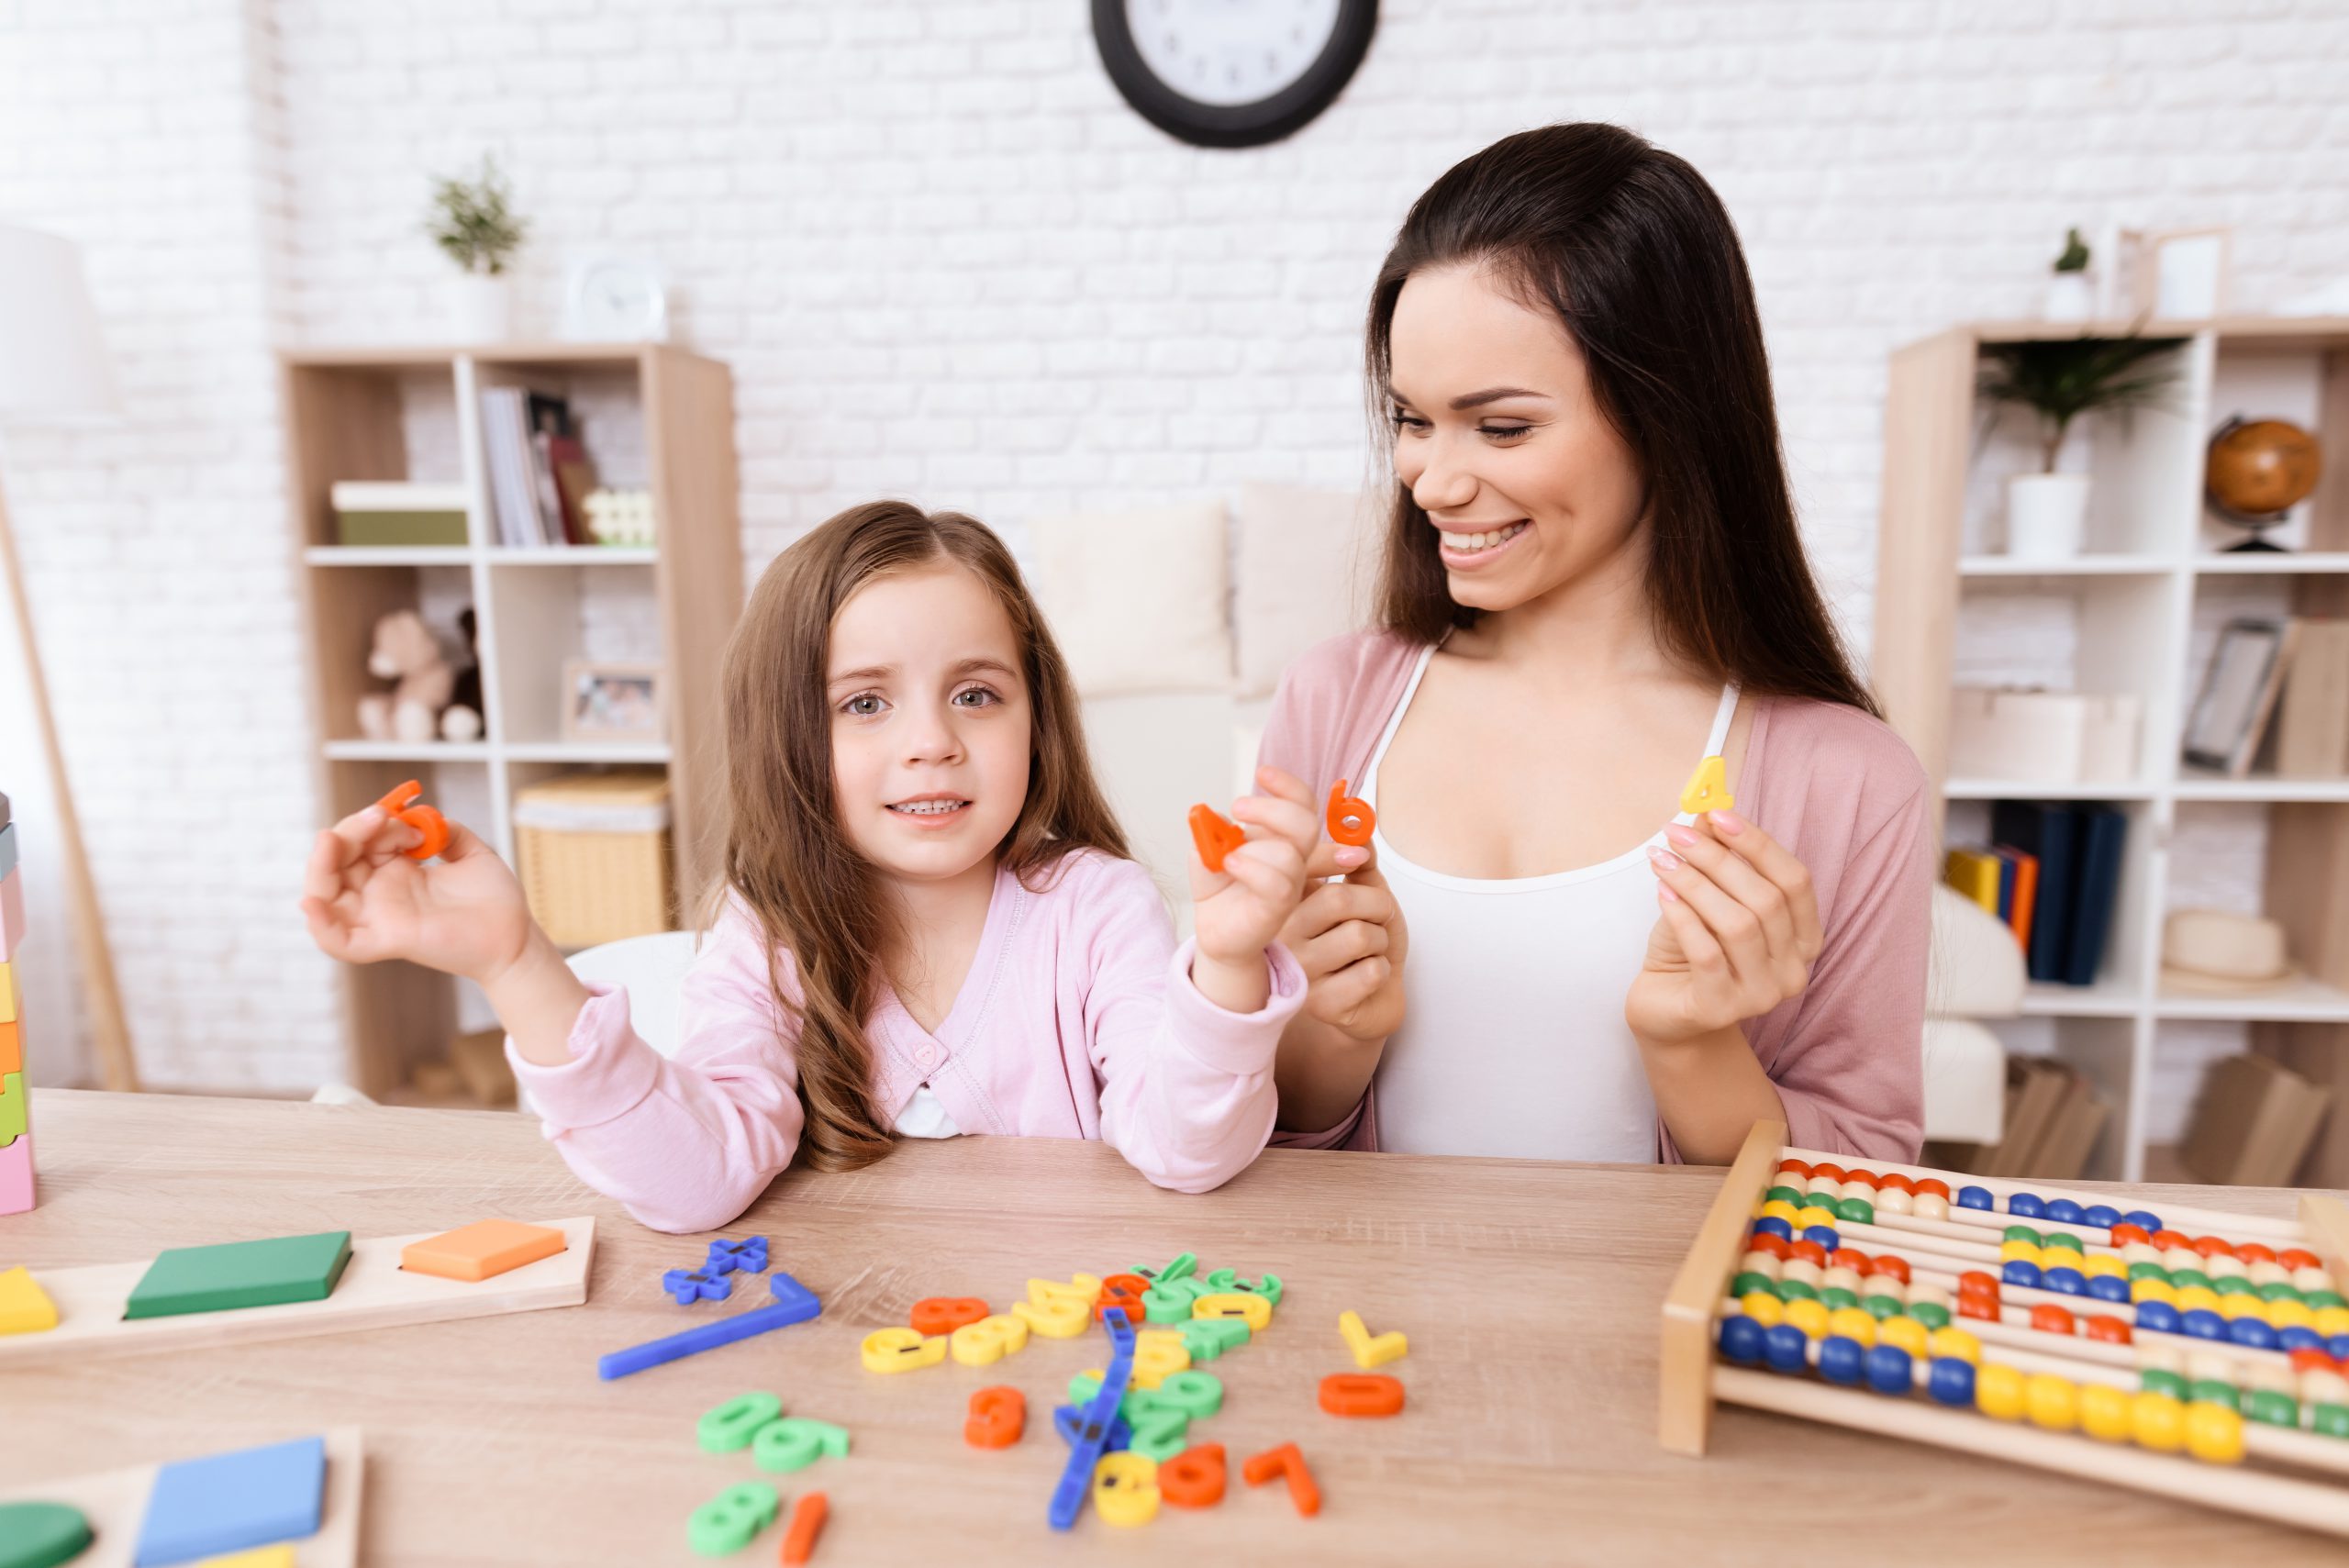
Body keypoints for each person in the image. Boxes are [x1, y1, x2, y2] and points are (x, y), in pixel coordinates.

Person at [303, 501, 1321, 1230]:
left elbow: (1190, 1151)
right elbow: (693, 1183)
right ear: (789, 733)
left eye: (975, 693)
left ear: (1036, 714)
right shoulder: (772, 932)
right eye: (864, 702)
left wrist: (1228, 962)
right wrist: (514, 958)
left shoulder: (1096, 905)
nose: (932, 741)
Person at [1262, 124, 1932, 1166]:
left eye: (1502, 427)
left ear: (1666, 413)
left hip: (1642, 1331)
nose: (1431, 479)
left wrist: (1697, 1049)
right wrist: (1330, 1031)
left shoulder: (1848, 780)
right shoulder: (1333, 703)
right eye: (1411, 419)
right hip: (1364, 1324)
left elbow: (1870, 1174)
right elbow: (1255, 1120)